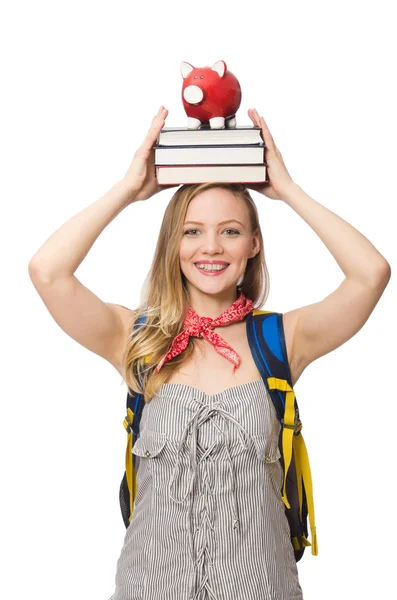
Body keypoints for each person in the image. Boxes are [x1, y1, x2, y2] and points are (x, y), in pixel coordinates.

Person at [28, 105, 391, 600]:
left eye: (231, 230)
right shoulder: (134, 339)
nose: (211, 247)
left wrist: (287, 190)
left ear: (253, 245)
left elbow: (371, 273)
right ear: (172, 244)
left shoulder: (282, 342)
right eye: (192, 230)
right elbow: (47, 271)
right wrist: (128, 191)